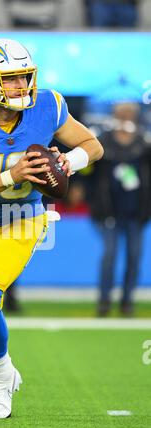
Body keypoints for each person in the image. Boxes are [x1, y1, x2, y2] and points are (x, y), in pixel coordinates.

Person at [0, 38, 103, 419]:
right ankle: (3, 374)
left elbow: (93, 146)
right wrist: (10, 175)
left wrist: (68, 161)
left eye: (24, 77)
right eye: (10, 80)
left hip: (25, 218)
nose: (20, 86)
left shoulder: (48, 106)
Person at [89, 102, 151, 317]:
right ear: (113, 115)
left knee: (134, 258)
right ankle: (104, 301)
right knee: (109, 257)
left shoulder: (144, 143)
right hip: (109, 211)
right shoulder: (102, 142)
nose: (125, 117)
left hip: (137, 211)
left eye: (129, 114)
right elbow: (90, 175)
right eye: (121, 113)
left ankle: (127, 301)